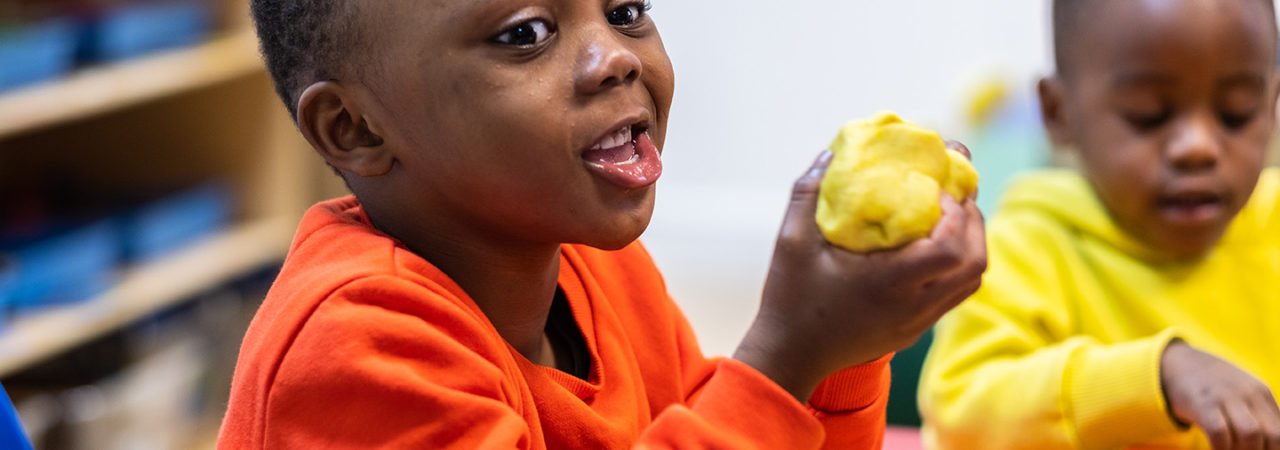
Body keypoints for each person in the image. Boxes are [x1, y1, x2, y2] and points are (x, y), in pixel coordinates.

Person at [218, 0, 987, 448]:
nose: (615, 57)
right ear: (354, 129)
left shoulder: (597, 263)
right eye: (525, 33)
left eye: (625, 11)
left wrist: (847, 353)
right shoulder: (356, 348)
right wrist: (788, 354)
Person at [919, 0, 1280, 448]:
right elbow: (962, 412)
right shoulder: (1026, 247)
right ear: (1058, 112)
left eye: (1237, 113)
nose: (1198, 147)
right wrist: (1155, 378)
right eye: (1148, 115)